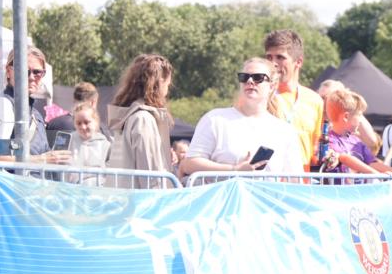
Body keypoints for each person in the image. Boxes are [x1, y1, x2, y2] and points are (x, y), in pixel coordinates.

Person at [180, 58, 302, 177]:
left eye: (257, 77)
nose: (249, 81)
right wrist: (234, 170)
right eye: (244, 77)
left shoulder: (285, 131)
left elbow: (295, 180)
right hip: (223, 197)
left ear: (272, 86)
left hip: (263, 197)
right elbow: (189, 164)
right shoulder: (214, 119)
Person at [0, 47, 70, 164]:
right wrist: (41, 159)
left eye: (37, 72)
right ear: (9, 72)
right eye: (24, 71)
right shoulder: (3, 105)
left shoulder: (36, 115)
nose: (31, 77)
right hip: (9, 182)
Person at [106, 53, 175, 187]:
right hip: (142, 202)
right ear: (160, 81)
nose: (167, 90)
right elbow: (150, 175)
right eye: (167, 84)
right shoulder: (143, 119)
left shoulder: (128, 117)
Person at [265, 30, 324, 171]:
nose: (273, 63)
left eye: (280, 57)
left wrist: (329, 156)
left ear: (298, 62)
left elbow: (314, 149)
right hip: (268, 181)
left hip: (300, 185)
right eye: (269, 57)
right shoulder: (261, 97)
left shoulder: (315, 100)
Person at [323, 88, 392, 176]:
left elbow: (371, 163)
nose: (361, 120)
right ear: (346, 117)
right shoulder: (329, 141)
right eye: (359, 115)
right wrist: (377, 174)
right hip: (340, 189)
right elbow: (344, 158)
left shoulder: (357, 141)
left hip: (359, 189)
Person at [68, 101, 112, 185]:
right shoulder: (68, 140)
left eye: (86, 122)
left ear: (96, 121)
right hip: (73, 190)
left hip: (97, 190)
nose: (83, 127)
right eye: (79, 123)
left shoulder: (105, 144)